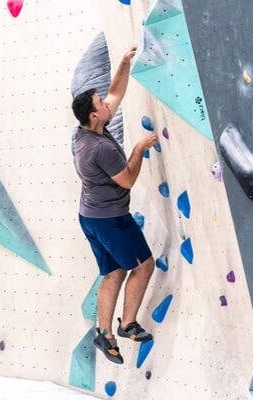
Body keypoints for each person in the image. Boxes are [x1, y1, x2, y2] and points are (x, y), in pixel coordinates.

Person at [72, 46, 158, 364]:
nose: (106, 105)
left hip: (91, 217)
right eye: (100, 105)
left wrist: (123, 63)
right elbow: (127, 181)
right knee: (143, 265)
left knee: (113, 272)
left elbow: (115, 92)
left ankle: (104, 334)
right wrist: (138, 149)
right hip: (111, 219)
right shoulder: (98, 149)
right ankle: (127, 324)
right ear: (95, 116)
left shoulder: (85, 131)